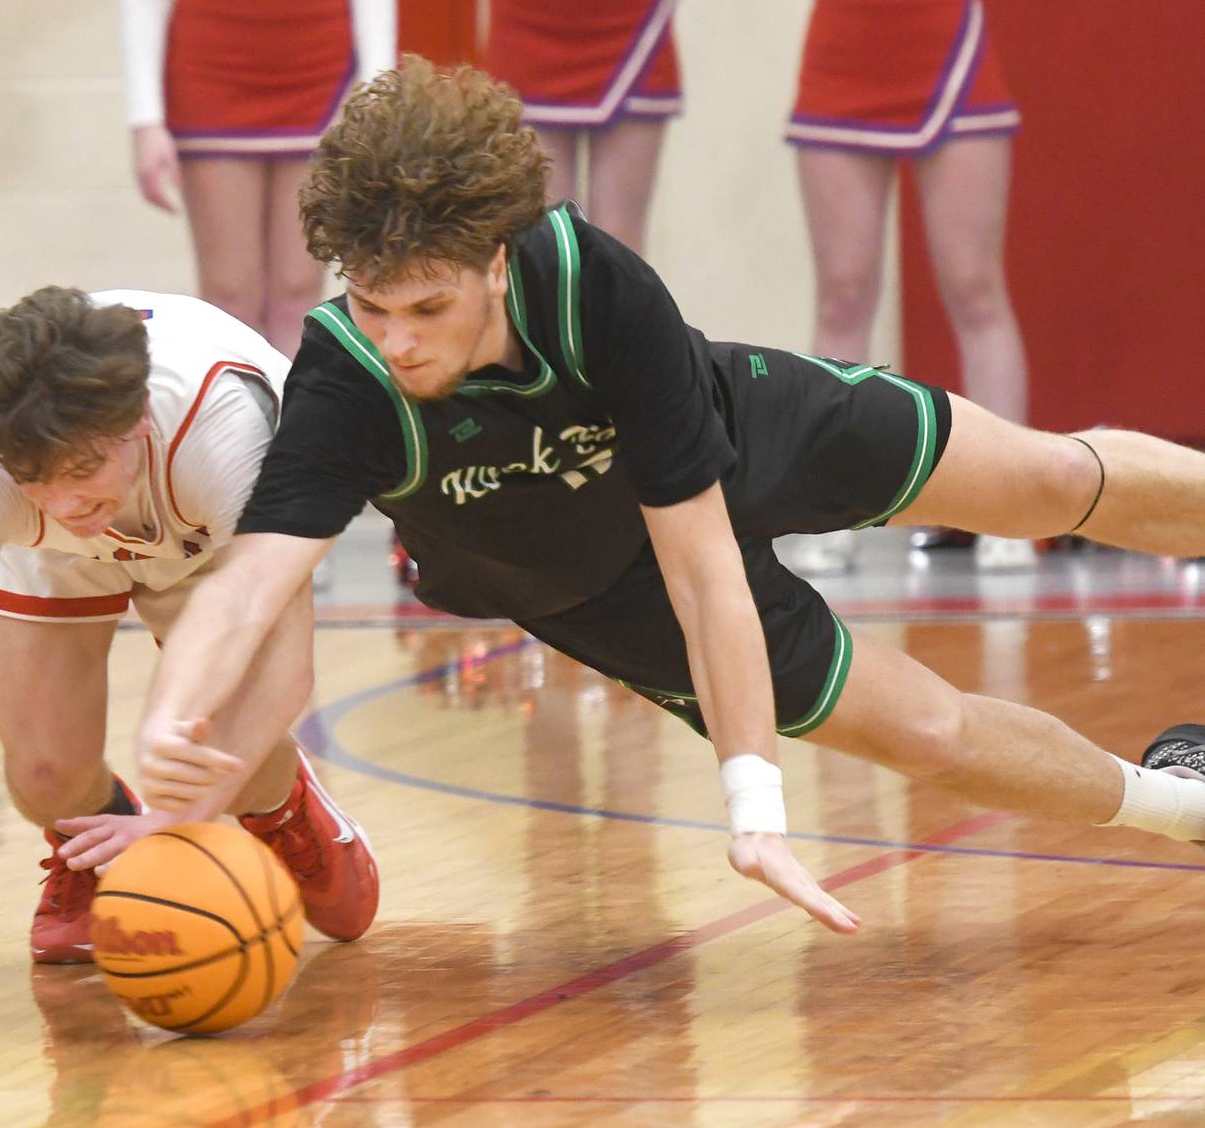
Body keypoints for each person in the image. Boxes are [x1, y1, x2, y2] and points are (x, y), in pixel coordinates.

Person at [81, 58, 1205, 936]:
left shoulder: (590, 285)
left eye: (425, 308)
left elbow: (704, 561)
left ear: (496, 263)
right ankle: (1186, 803)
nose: (396, 340)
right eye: (374, 306)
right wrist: (171, 721)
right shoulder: (346, 379)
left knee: (1047, 479)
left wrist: (750, 793)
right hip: (584, 579)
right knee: (927, 730)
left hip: (732, 436)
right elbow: (251, 584)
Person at [0, 287, 379, 959]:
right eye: (35, 478)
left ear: (140, 418)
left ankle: (282, 805)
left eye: (84, 469)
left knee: (221, 748)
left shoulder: (223, 426)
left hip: (208, 537)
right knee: (42, 777)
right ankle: (95, 849)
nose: (65, 501)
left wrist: (175, 821)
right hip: (57, 558)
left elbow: (286, 667)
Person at [786, 0, 1033, 573]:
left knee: (976, 289)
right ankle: (833, 509)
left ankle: (1012, 507)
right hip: (843, 47)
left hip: (942, 36)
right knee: (842, 296)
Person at [120, 0, 396, 356]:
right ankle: (236, 410)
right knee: (230, 294)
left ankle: (296, 411)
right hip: (209, 71)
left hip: (320, 66)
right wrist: (145, 120)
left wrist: (375, 93)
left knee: (297, 290)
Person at [482, 0, 682, 258]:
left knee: (618, 243)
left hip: (632, 19)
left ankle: (616, 302)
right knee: (542, 234)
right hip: (526, 16)